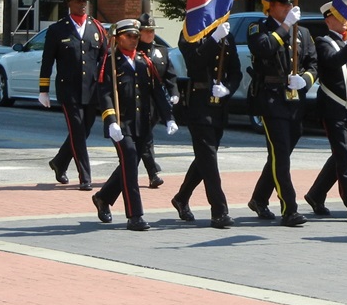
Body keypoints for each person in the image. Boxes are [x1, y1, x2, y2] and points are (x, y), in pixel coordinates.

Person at [93, 19, 178, 231]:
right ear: (118, 37)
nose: (133, 40)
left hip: (143, 124)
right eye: (129, 36)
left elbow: (157, 91)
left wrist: (169, 117)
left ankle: (103, 197)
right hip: (121, 125)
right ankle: (135, 215)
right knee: (130, 163)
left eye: (135, 36)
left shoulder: (143, 61)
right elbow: (104, 94)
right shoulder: (110, 61)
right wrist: (111, 120)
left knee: (128, 164)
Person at [246, 0, 317, 227]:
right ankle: (289, 208)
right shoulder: (258, 28)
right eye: (283, 4)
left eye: (290, 4)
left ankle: (258, 198)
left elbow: (313, 64)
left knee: (280, 155)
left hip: (295, 101)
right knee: (281, 156)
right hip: (271, 99)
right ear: (270, 6)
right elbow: (263, 48)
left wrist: (305, 79)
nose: (288, 8)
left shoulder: (303, 33)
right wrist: (285, 26)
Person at [303, 4, 347, 223]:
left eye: (345, 16)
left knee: (342, 155)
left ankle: (315, 194)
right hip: (333, 108)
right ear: (328, 20)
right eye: (338, 16)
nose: (344, 20)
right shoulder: (323, 42)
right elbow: (333, 61)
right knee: (343, 156)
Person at [170, 19, 243, 228]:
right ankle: (219, 210)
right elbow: (194, 62)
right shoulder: (190, 32)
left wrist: (228, 88)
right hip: (198, 104)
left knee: (205, 157)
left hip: (219, 106)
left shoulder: (226, 35)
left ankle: (181, 197)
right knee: (209, 158)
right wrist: (213, 39)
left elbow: (236, 70)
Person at [39, 0, 109, 190]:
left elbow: (105, 59)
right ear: (69, 3)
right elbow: (47, 61)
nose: (82, 4)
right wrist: (43, 90)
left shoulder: (97, 28)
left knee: (84, 130)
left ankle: (60, 162)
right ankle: (85, 177)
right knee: (77, 131)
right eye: (78, 1)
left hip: (91, 89)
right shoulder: (57, 30)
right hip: (68, 90)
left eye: (84, 1)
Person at [136, 14, 180, 189]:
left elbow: (170, 75)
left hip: (156, 101)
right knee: (146, 137)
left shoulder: (161, 51)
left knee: (144, 138)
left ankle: (128, 169)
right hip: (138, 101)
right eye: (147, 31)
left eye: (152, 31)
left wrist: (174, 92)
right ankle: (153, 173)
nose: (151, 34)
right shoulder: (133, 50)